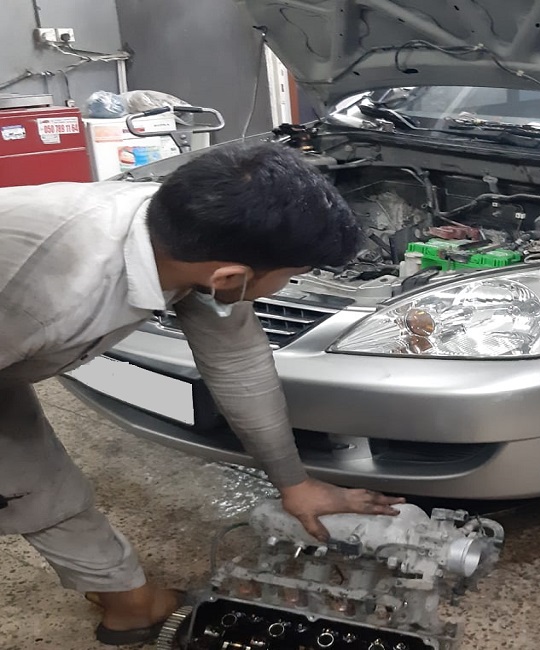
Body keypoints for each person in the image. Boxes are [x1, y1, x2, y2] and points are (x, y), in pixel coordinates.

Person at [0, 142, 405, 646]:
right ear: (231, 276)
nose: (289, 285)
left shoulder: (184, 234)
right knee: (21, 474)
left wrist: (294, 482)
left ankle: (129, 606)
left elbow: (239, 367)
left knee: (39, 482)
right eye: (293, 278)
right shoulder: (49, 292)